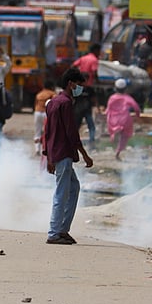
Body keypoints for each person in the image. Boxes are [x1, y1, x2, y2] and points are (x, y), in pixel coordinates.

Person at [42, 68, 94, 245]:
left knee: (73, 187)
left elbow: (47, 132)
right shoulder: (65, 103)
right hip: (63, 152)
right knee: (62, 192)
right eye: (79, 85)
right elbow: (72, 134)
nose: (80, 88)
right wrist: (86, 156)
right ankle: (55, 232)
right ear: (71, 84)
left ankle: (63, 229)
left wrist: (48, 156)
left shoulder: (52, 102)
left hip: (56, 153)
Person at [71, 43, 102, 147]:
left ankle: (72, 143)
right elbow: (95, 71)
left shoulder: (83, 58)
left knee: (76, 127)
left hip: (78, 109)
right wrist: (98, 81)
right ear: (96, 50)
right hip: (87, 108)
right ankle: (91, 144)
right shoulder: (94, 60)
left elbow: (73, 65)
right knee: (91, 126)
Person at [105, 78, 142, 160]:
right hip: (124, 119)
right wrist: (137, 116)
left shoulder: (112, 97)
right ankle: (118, 152)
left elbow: (108, 109)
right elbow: (136, 108)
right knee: (125, 137)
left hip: (113, 120)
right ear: (125, 88)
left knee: (114, 131)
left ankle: (114, 134)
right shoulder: (127, 98)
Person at [33, 79, 57, 156]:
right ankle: (45, 148)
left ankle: (37, 149)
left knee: (37, 131)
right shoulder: (52, 94)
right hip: (46, 114)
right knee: (48, 132)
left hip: (37, 113)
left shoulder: (39, 94)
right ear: (51, 86)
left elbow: (35, 104)